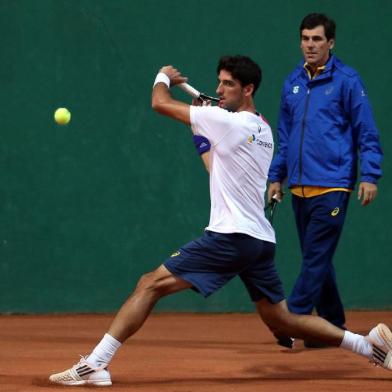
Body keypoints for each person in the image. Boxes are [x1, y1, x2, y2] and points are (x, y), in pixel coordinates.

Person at [49, 55, 391, 386]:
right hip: (259, 241)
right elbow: (216, 166)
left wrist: (162, 77)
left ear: (248, 89)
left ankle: (95, 364)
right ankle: (368, 343)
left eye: (229, 84)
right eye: (219, 82)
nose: (220, 88)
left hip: (230, 237)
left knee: (149, 284)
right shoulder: (262, 129)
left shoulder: (227, 121)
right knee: (283, 320)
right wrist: (202, 131)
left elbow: (160, 103)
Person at [268, 13, 383, 347]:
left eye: (317, 39)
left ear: (330, 43)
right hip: (300, 188)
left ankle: (292, 319)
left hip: (334, 185)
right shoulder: (292, 82)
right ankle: (330, 326)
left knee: (316, 256)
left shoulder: (348, 80)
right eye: (305, 38)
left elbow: (367, 130)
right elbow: (284, 136)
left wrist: (370, 175)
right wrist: (277, 176)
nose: (310, 45)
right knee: (317, 259)